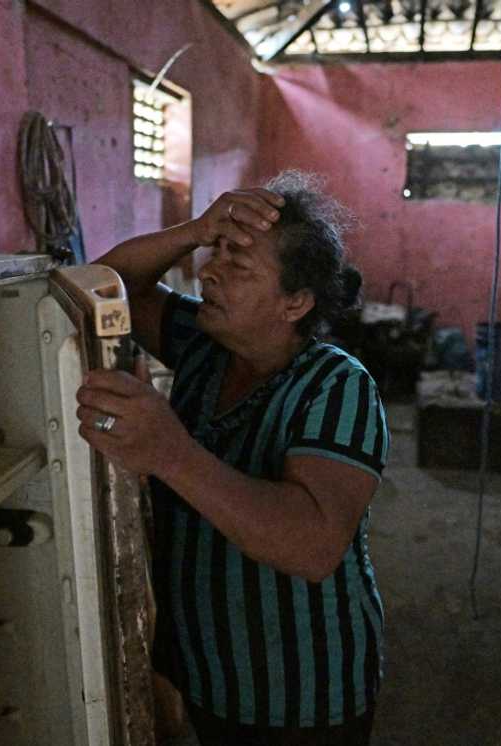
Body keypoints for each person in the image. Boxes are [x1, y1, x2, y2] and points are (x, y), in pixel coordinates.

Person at [75, 171, 388, 745]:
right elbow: (105, 283)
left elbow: (314, 545)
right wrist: (195, 229)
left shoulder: (338, 385)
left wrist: (171, 452)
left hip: (302, 691)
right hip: (208, 669)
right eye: (214, 255)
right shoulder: (204, 345)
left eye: (238, 268)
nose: (208, 272)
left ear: (295, 301)